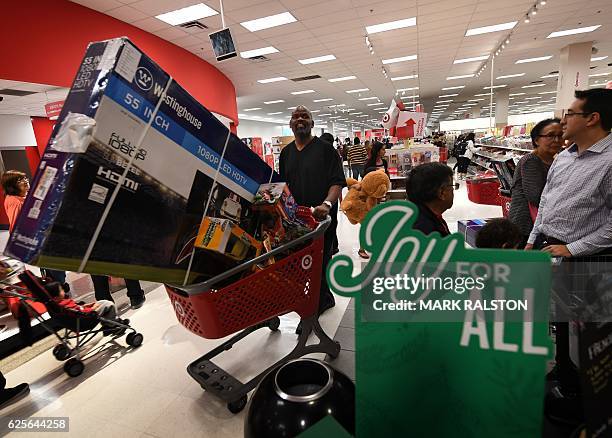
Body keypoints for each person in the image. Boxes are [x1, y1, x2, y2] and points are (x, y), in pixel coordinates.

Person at [527, 88, 612, 257]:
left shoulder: (608, 161)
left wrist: (572, 249)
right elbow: (546, 199)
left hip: (585, 258)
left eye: (570, 114)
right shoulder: (563, 156)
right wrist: (532, 239)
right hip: (547, 246)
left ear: (592, 118)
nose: (563, 121)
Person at [279, 106, 346, 317]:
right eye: (296, 117)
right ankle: (323, 299)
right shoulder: (285, 153)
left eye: (305, 116)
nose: (300, 119)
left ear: (312, 123)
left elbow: (337, 182)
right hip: (296, 223)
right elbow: (284, 186)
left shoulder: (326, 150)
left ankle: (314, 307)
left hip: (321, 220)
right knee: (301, 264)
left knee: (321, 261)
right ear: (290, 124)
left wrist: (326, 204)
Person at [1, 171, 69, 292]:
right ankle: (59, 290)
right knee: (55, 265)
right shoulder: (15, 202)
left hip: (42, 237)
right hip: (38, 240)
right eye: (19, 180)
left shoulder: (23, 197)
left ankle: (56, 289)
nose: (25, 181)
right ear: (11, 186)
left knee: (52, 267)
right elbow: (17, 226)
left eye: (24, 178)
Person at [508, 119, 563, 245]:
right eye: (550, 135)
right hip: (526, 224)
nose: (557, 140)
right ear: (536, 140)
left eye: (560, 135)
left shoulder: (556, 160)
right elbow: (535, 196)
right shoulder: (531, 161)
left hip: (542, 222)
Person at [44, 280, 128, 334]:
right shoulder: (65, 304)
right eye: (61, 290)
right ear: (55, 296)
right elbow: (82, 311)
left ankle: (108, 324)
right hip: (86, 319)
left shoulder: (56, 306)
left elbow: (76, 309)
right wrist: (93, 308)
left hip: (75, 320)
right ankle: (112, 325)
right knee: (108, 304)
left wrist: (85, 306)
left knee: (101, 302)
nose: (63, 291)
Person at [405, 163, 454, 236]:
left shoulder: (414, 216)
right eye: (452, 186)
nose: (453, 190)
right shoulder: (428, 233)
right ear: (441, 193)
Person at [319, 132, 340, 255]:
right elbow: (338, 181)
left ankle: (331, 247)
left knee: (328, 224)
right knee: (332, 222)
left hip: (327, 198)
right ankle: (334, 246)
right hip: (332, 198)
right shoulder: (333, 154)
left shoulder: (325, 154)